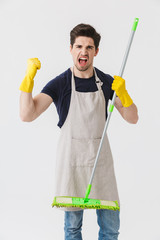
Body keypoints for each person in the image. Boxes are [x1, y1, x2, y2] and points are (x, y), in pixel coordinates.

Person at [19, 23, 138, 240]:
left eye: (89, 47)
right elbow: (28, 114)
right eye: (79, 46)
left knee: (111, 229)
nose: (84, 51)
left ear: (96, 52)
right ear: (71, 49)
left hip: (100, 164)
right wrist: (28, 80)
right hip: (72, 165)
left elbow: (133, 118)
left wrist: (124, 94)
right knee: (73, 229)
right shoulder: (61, 84)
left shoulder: (107, 83)